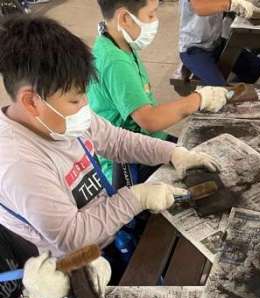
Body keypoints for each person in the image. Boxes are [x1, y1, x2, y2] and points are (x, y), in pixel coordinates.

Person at [0, 15, 218, 258]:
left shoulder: (59, 117)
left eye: (84, 95)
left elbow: (116, 141)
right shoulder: (18, 165)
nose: (85, 105)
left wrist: (174, 153)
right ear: (31, 102)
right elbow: (72, 238)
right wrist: (137, 198)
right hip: (80, 262)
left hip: (107, 227)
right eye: (74, 100)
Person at [89, 0, 231, 185]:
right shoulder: (114, 62)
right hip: (128, 164)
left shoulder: (118, 42)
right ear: (124, 18)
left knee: (209, 157)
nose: (155, 21)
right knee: (211, 176)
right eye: (150, 14)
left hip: (147, 142)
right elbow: (149, 120)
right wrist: (199, 99)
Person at [178, 0, 260, 86]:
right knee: (219, 88)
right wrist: (232, 4)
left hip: (215, 42)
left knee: (255, 67)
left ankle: (233, 92)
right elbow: (200, 7)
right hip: (193, 48)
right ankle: (223, 91)